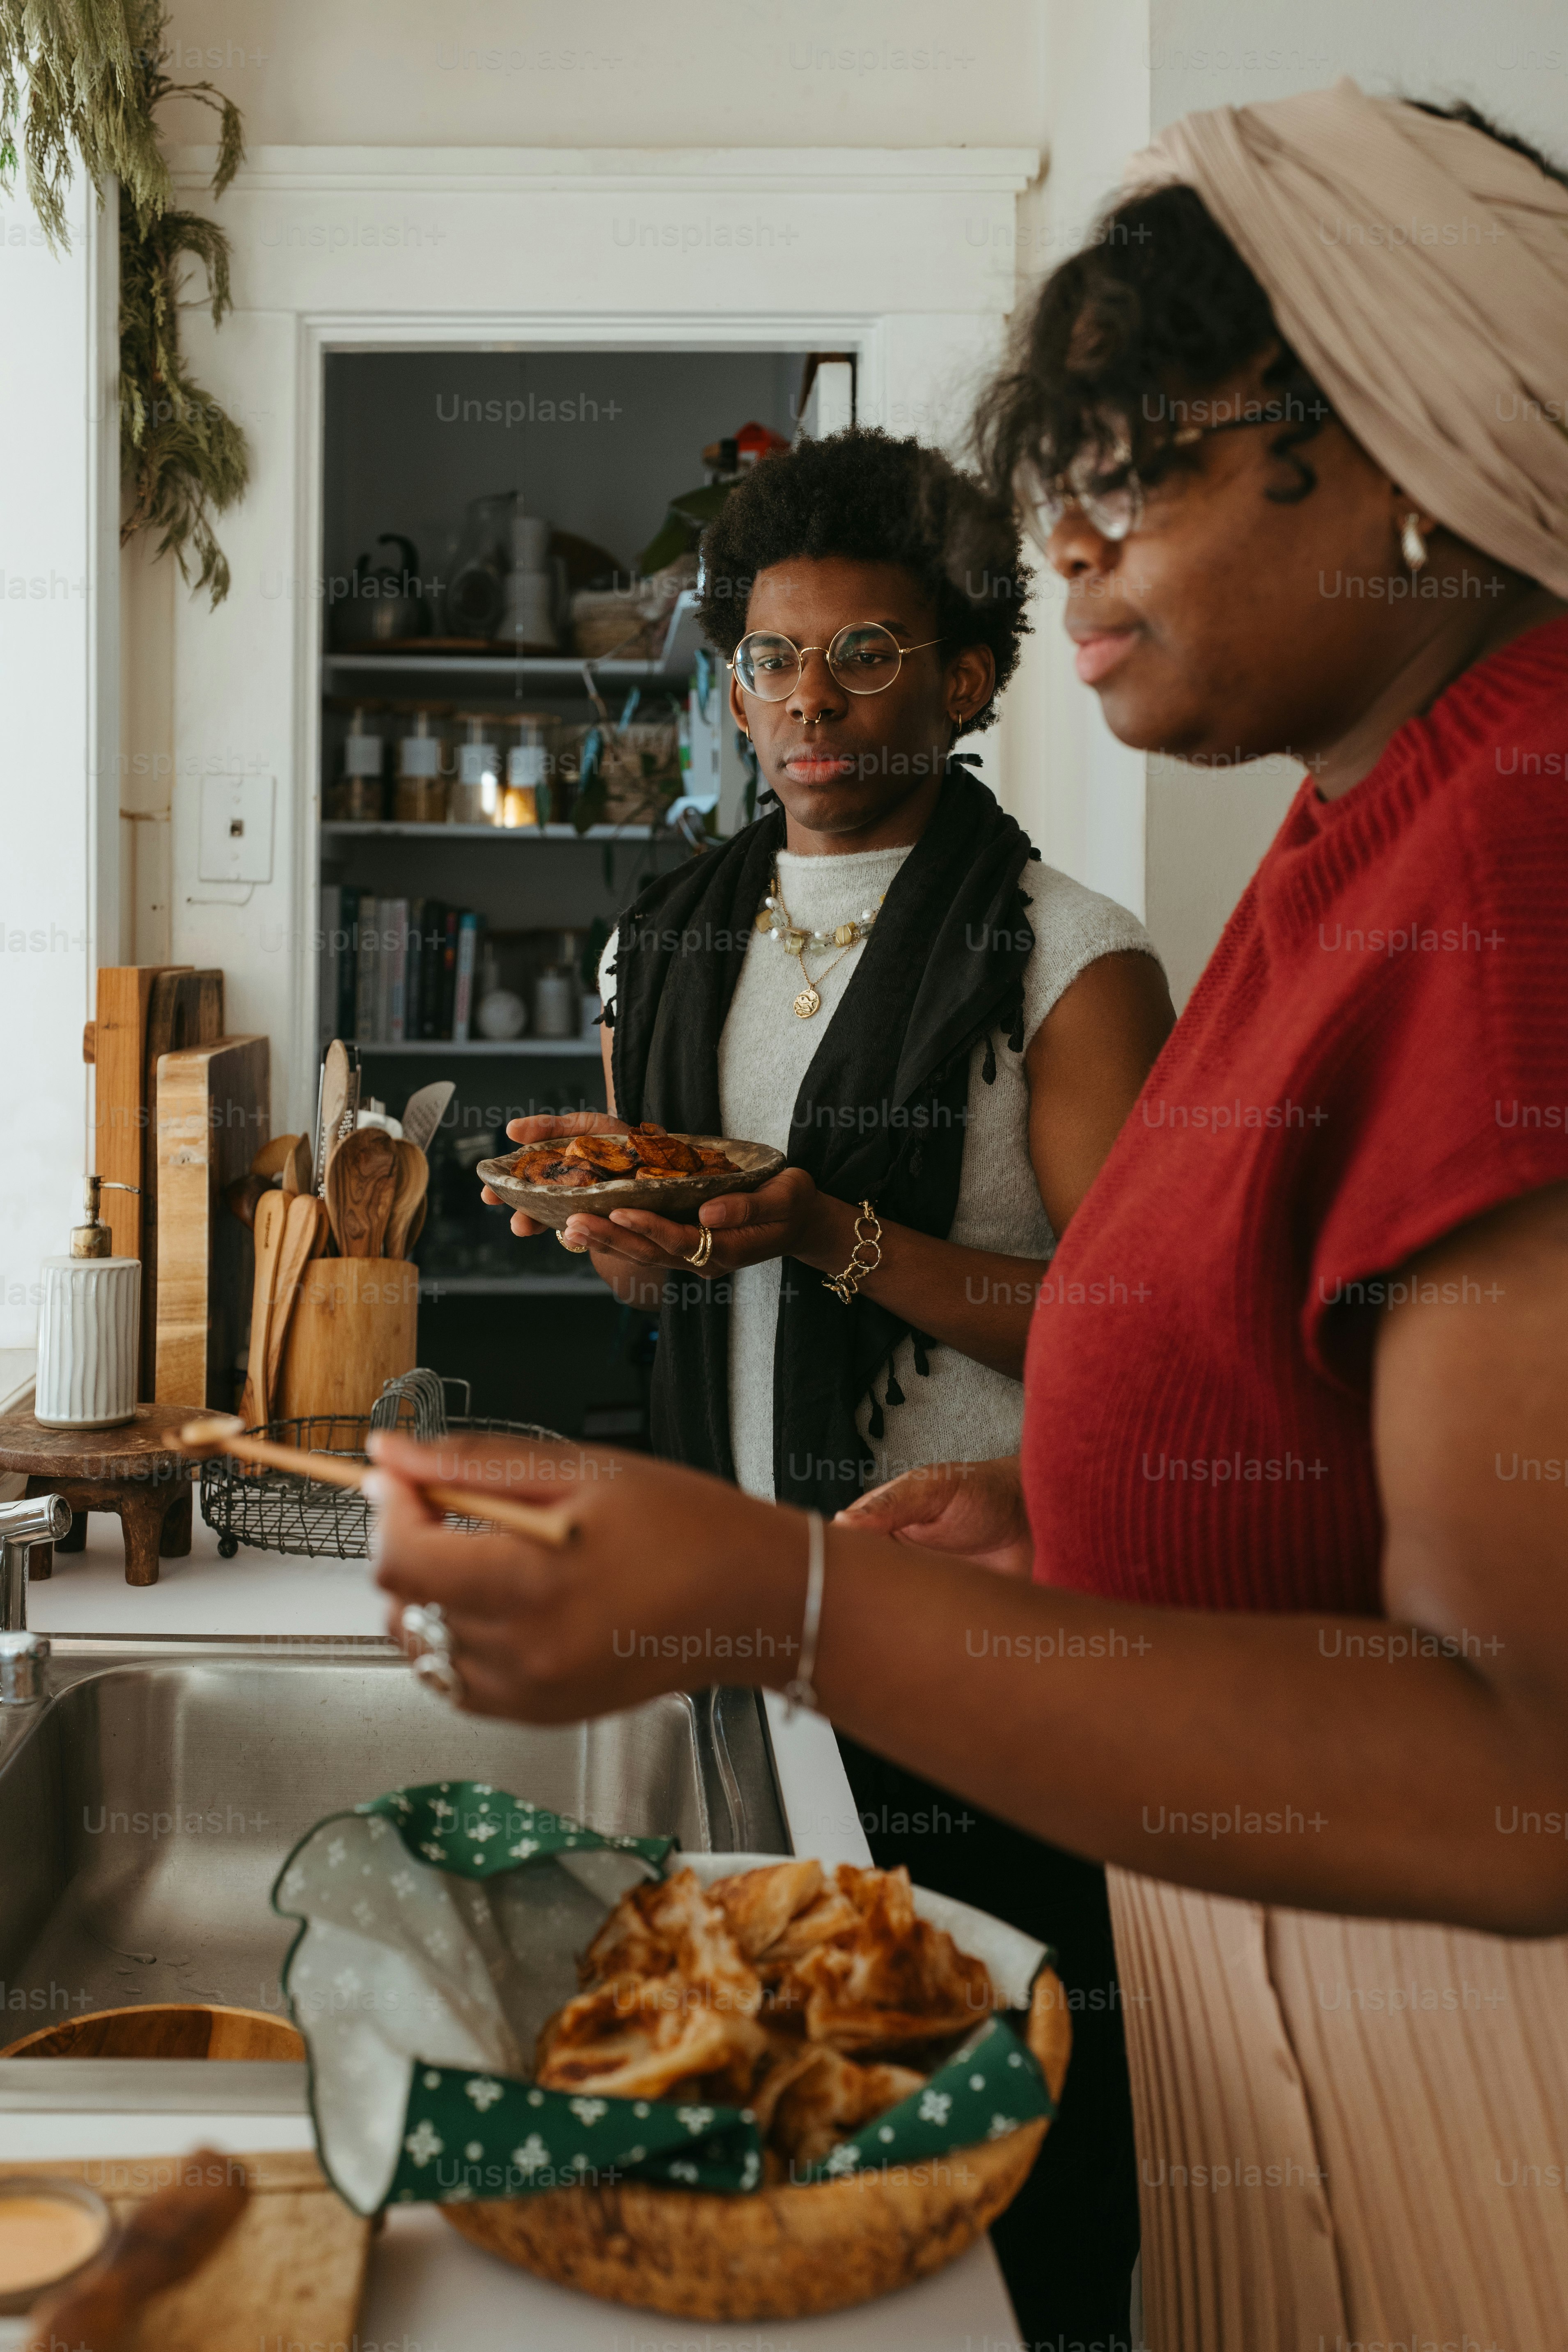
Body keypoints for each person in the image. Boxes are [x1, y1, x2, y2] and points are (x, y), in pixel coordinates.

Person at [376, 85, 1568, 2352]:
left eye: (1125, 473)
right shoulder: (1359, 829)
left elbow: (1522, 1773)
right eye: (1058, 500)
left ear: (1400, 427)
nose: (1077, 555)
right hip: (1282, 2014)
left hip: (1453, 2088)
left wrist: (784, 1590)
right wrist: (1069, 1504)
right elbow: (1320, 1405)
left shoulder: (1505, 857)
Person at [480, 425, 1175, 2333]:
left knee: (1005, 2109)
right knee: (787, 2104)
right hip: (740, 1610)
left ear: (963, 678)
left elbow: (1148, 1341)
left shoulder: (1068, 958)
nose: (808, 698)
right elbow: (674, 1247)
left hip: (978, 1625)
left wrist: (830, 1234)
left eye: (865, 653)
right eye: (769, 660)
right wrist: (629, 1240)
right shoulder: (673, 933)